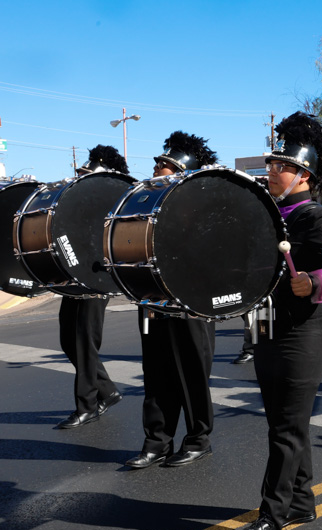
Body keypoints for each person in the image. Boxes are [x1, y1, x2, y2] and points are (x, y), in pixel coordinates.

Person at [234, 112, 322, 530]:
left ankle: (271, 516)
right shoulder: (267, 214)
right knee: (285, 422)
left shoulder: (318, 221)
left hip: (303, 335)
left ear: (303, 175)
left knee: (286, 427)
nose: (271, 172)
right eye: (271, 165)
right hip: (267, 329)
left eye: (280, 167)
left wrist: (313, 282)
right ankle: (302, 499)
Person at [125, 132, 218, 469]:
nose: (156, 168)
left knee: (191, 372)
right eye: (158, 163)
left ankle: (198, 439)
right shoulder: (143, 204)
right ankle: (157, 441)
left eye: (163, 165)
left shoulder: (201, 208)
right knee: (156, 372)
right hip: (152, 300)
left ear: (181, 172)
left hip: (190, 303)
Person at [55, 145, 125, 429]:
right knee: (67, 340)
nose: (81, 177)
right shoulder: (79, 203)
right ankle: (107, 392)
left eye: (87, 173)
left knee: (85, 343)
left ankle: (87, 406)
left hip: (97, 279)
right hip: (74, 276)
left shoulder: (114, 202)